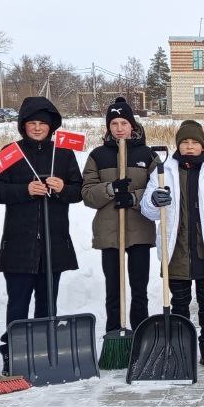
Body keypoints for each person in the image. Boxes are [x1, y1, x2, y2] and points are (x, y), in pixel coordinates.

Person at [0, 96, 84, 369]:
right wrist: (24, 190)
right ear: (23, 126)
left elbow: (78, 191)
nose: (38, 128)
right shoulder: (11, 152)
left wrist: (63, 187)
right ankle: (13, 352)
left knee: (47, 303)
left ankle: (43, 350)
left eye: (43, 123)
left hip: (54, 242)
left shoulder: (63, 154)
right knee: (17, 303)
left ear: (52, 126)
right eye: (32, 123)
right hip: (19, 243)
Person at [141, 120, 204, 372]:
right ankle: (182, 351)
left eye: (195, 142)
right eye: (185, 142)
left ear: (203, 145)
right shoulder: (163, 171)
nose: (190, 147)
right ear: (178, 145)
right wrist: (153, 200)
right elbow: (148, 210)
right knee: (180, 304)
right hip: (176, 251)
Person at [81, 96, 159, 338]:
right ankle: (114, 333)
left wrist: (134, 198)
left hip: (139, 231)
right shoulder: (98, 155)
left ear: (132, 126)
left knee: (139, 289)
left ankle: (140, 334)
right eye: (114, 124)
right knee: (113, 290)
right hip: (109, 232)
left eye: (124, 123)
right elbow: (86, 194)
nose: (119, 129)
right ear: (108, 127)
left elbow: (159, 190)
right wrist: (111, 189)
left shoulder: (147, 155)